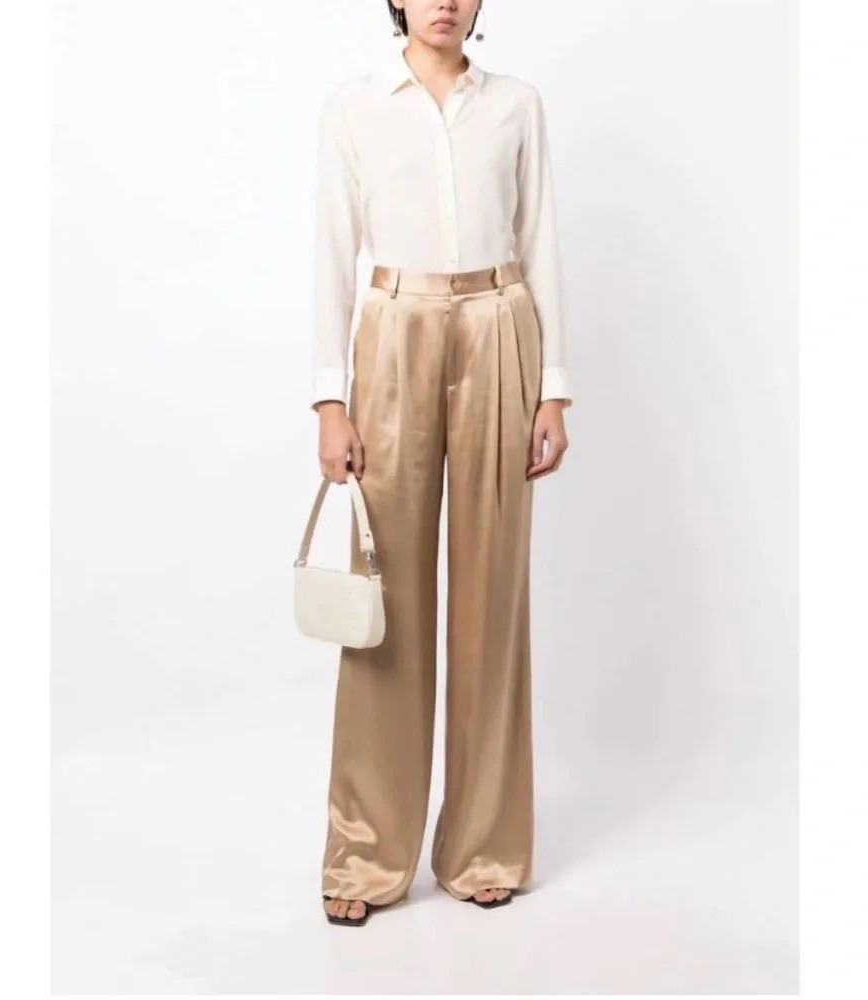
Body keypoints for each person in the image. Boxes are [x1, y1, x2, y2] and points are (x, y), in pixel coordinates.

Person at [311, 0, 572, 926]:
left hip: (501, 325)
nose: (445, 2)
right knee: (387, 603)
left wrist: (553, 388)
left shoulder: (516, 104)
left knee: (493, 596)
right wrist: (330, 398)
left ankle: (483, 844)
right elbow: (331, 254)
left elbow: (540, 241)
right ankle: (367, 854)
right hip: (394, 331)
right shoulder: (355, 105)